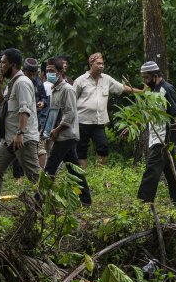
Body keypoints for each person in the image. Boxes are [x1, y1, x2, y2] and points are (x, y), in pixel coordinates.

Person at [0, 48, 42, 214]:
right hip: (9, 137)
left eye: (3, 62)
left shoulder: (22, 83)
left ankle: (50, 206)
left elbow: (25, 110)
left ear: (13, 64)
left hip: (22, 138)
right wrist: (0, 87)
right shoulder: (13, 82)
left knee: (34, 176)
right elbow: (3, 104)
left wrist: (20, 133)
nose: (0, 65)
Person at [74, 52, 142, 169]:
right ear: (91, 64)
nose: (101, 66)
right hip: (82, 121)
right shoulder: (80, 81)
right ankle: (83, 176)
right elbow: (72, 100)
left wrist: (140, 92)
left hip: (99, 121)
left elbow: (121, 88)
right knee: (81, 148)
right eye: (98, 63)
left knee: (103, 146)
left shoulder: (107, 79)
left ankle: (101, 174)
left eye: (102, 63)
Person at [136, 61, 176, 205]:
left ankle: (143, 202)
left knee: (152, 169)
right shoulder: (152, 91)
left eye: (146, 77)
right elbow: (148, 114)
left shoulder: (167, 89)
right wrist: (131, 127)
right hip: (156, 135)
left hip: (165, 137)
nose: (145, 81)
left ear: (155, 76)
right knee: (171, 170)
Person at [44, 58, 92, 206]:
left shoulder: (67, 89)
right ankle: (86, 200)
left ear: (60, 72)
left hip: (66, 135)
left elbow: (70, 114)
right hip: (60, 135)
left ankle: (40, 200)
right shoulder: (53, 90)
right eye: (47, 71)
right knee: (73, 169)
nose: (49, 74)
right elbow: (54, 114)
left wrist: (57, 130)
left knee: (50, 167)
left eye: (52, 71)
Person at [24, 58, 50, 168]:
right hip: (21, 120)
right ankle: (18, 176)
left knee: (39, 146)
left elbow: (44, 98)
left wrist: (42, 103)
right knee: (20, 146)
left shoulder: (38, 81)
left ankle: (42, 173)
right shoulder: (18, 82)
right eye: (29, 74)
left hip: (36, 119)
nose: (31, 76)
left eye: (33, 74)